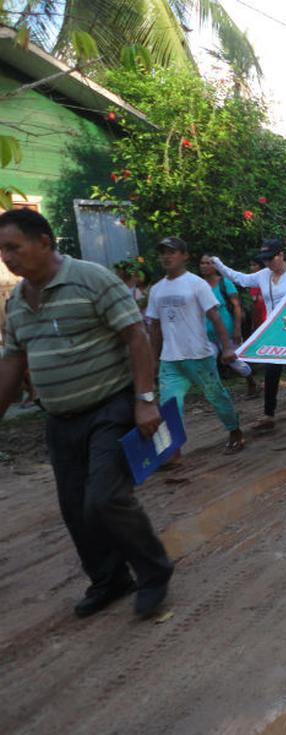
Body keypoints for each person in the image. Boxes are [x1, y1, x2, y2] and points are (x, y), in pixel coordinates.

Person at [0, 209, 173, 619]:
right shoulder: (18, 303)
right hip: (60, 418)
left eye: (13, 247)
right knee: (75, 507)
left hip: (109, 406)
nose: (6, 257)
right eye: (1, 250)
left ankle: (154, 572)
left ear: (43, 241)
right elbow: (11, 362)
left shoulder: (91, 279)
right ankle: (109, 579)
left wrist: (145, 399)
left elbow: (136, 334)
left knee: (106, 497)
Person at [146, 238, 245, 455]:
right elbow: (155, 329)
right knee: (170, 406)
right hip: (170, 359)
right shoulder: (156, 290)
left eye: (172, 252)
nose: (166, 256)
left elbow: (215, 317)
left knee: (217, 396)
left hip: (199, 355)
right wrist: (153, 360)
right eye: (163, 252)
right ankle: (173, 451)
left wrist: (227, 348)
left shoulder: (196, 284)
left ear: (184, 256)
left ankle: (235, 431)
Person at [211, 241, 286, 429]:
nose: (268, 263)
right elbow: (240, 279)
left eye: (271, 258)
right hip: (274, 332)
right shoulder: (263, 275)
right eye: (265, 260)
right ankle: (268, 414)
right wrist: (219, 265)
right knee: (272, 371)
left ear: (280, 255)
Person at [199, 254, 253, 380]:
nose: (204, 266)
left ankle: (251, 381)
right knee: (208, 361)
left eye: (208, 263)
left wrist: (237, 329)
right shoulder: (198, 285)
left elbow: (236, 306)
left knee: (235, 362)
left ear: (216, 266)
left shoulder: (224, 283)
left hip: (227, 332)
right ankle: (214, 390)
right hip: (206, 333)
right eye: (202, 263)